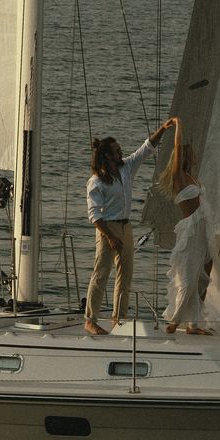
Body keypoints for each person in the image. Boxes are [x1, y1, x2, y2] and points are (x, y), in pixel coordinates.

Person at [84, 119, 174, 335]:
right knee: (102, 273)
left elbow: (146, 148)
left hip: (126, 227)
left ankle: (119, 319)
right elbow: (94, 216)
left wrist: (162, 129)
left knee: (125, 275)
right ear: (107, 155)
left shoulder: (125, 168)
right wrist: (109, 237)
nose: (120, 152)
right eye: (116, 150)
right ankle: (90, 319)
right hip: (107, 228)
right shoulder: (96, 181)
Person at [159, 116, 220, 335]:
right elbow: (177, 148)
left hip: (204, 230)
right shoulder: (179, 177)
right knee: (189, 276)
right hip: (191, 232)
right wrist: (178, 124)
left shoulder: (192, 177)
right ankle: (175, 319)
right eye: (189, 152)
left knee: (205, 274)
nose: (193, 154)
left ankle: (194, 323)